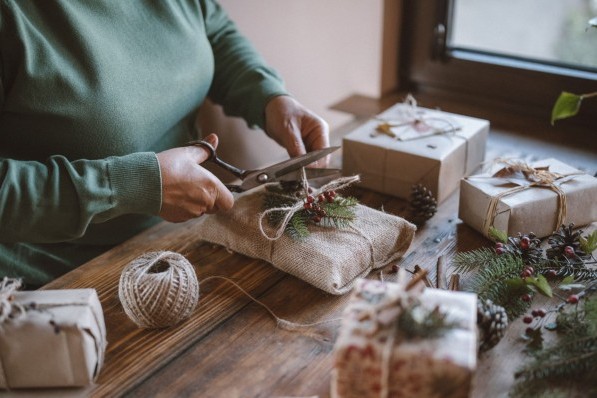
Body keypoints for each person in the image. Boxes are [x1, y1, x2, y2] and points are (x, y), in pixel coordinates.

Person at [0, 0, 329, 288]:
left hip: (185, 246)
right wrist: (130, 187)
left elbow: (211, 30)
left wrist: (269, 97)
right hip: (58, 287)